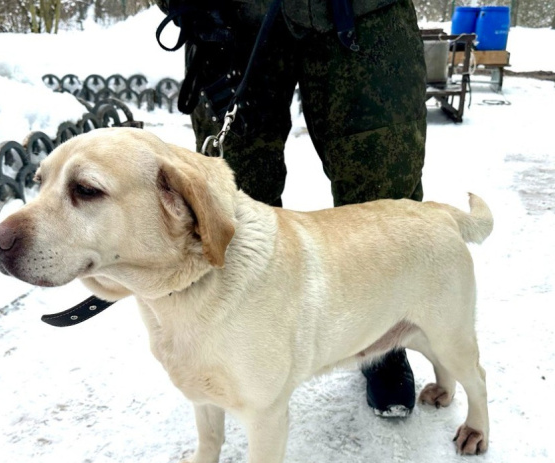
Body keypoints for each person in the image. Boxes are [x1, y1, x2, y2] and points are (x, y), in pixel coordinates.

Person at [156, 0, 427, 416]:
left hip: (364, 11)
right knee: (230, 202)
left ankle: (385, 338)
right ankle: (238, 344)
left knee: (384, 191)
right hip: (233, 19)